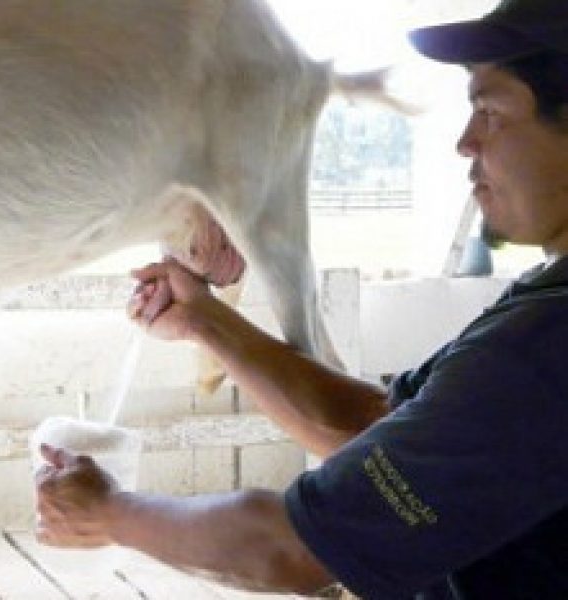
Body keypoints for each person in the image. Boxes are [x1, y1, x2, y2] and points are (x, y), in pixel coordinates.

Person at [33, 1, 568, 598]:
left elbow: (289, 550)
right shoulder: (543, 303)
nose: (465, 144)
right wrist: (207, 321)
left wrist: (109, 514)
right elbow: (377, 427)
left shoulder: (547, 346)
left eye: (489, 112)